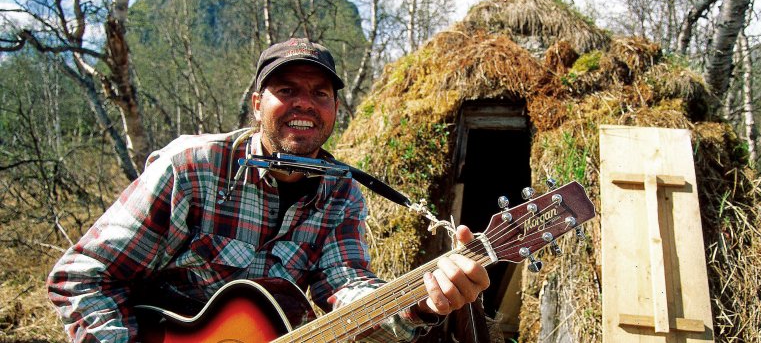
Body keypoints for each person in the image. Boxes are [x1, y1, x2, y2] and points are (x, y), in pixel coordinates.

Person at [47, 38, 489, 342]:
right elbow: (80, 277)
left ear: (335, 108)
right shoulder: (192, 168)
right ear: (258, 103)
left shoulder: (341, 194)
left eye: (320, 92)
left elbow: (349, 293)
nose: (305, 104)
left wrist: (423, 303)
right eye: (286, 89)